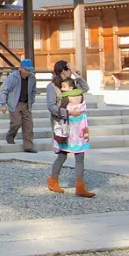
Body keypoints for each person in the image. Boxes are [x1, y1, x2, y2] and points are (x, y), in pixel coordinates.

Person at [47, 61, 95, 197]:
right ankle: (53, 180)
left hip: (78, 126)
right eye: (69, 70)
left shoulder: (73, 84)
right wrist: (68, 113)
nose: (70, 72)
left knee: (80, 155)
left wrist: (75, 73)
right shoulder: (52, 87)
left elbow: (86, 88)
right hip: (63, 124)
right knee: (62, 155)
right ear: (63, 71)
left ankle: (80, 186)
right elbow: (51, 106)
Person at [0, 59, 38, 153]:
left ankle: (28, 146)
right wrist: (3, 104)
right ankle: (10, 135)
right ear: (20, 68)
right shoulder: (13, 77)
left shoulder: (32, 78)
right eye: (26, 70)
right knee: (16, 123)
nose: (28, 72)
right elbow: (4, 90)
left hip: (26, 103)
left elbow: (33, 90)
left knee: (28, 125)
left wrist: (31, 101)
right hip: (15, 103)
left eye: (29, 70)